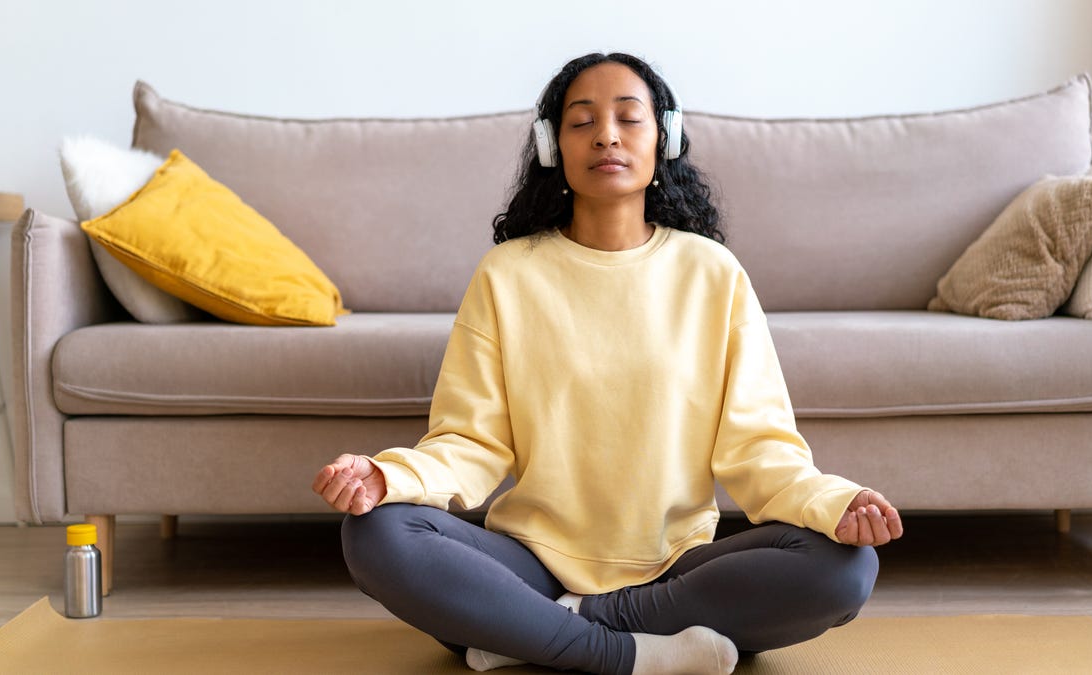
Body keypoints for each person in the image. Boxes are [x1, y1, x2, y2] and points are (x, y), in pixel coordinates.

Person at [313, 52, 903, 675]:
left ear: (665, 139)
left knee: (846, 565)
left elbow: (760, 449)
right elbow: (470, 442)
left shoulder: (712, 273)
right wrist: (388, 478)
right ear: (552, 145)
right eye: (582, 121)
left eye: (629, 117)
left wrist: (834, 501)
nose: (607, 135)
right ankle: (619, 652)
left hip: (673, 567)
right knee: (377, 532)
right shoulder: (508, 274)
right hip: (529, 562)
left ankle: (532, 632)